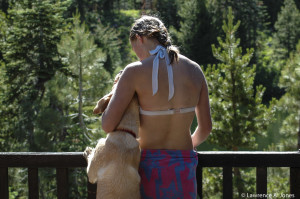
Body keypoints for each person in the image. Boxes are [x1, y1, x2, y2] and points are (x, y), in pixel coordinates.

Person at [100, 15, 212, 199]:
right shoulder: (194, 69)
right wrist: (179, 150)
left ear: (140, 38)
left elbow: (107, 125)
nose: (136, 54)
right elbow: (206, 128)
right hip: (184, 165)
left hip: (147, 166)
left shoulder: (133, 72)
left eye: (134, 47)